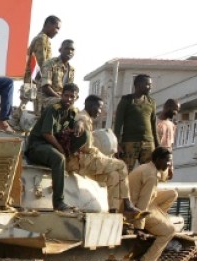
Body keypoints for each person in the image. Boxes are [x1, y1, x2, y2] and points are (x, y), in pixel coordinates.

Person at [70, 95, 144, 217]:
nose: (100, 111)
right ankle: (127, 204)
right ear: (90, 105)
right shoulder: (83, 118)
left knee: (113, 175)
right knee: (121, 165)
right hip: (84, 160)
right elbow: (85, 145)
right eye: (99, 108)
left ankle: (113, 210)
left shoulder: (86, 118)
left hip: (85, 161)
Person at [25, 83, 81, 211]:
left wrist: (80, 124)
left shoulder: (72, 112)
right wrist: (61, 150)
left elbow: (75, 127)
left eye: (72, 96)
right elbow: (47, 133)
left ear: (76, 98)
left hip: (50, 147)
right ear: (61, 95)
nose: (69, 99)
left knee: (85, 136)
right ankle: (58, 202)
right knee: (59, 158)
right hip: (37, 147)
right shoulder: (53, 109)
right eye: (66, 95)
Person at [127, 148, 178, 261]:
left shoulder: (148, 167)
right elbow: (143, 203)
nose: (169, 164)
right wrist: (138, 227)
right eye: (167, 161)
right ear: (158, 160)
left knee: (172, 194)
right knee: (170, 231)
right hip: (135, 208)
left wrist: (169, 168)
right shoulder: (151, 176)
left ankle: (156, 222)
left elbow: (165, 176)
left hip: (139, 202)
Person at [114, 74, 157, 172]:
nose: (150, 87)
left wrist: (157, 146)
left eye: (150, 84)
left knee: (149, 173)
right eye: (147, 84)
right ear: (137, 85)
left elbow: (153, 125)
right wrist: (116, 144)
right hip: (129, 143)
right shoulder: (126, 100)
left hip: (148, 143)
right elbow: (118, 124)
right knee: (124, 172)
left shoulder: (151, 102)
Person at [23, 15, 60, 86]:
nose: (57, 32)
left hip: (34, 81)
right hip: (36, 83)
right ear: (48, 24)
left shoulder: (43, 38)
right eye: (57, 28)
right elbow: (42, 63)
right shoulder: (42, 39)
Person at [39, 39, 75, 111]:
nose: (70, 51)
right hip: (46, 98)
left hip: (62, 99)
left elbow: (69, 90)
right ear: (60, 50)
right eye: (67, 48)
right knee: (62, 104)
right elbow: (45, 87)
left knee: (75, 111)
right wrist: (61, 98)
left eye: (72, 49)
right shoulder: (50, 63)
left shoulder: (71, 69)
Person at [156, 98, 181, 179]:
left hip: (165, 163)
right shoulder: (155, 122)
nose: (175, 113)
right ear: (166, 107)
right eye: (174, 109)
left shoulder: (172, 125)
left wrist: (171, 165)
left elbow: (170, 147)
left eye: (177, 110)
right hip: (155, 161)